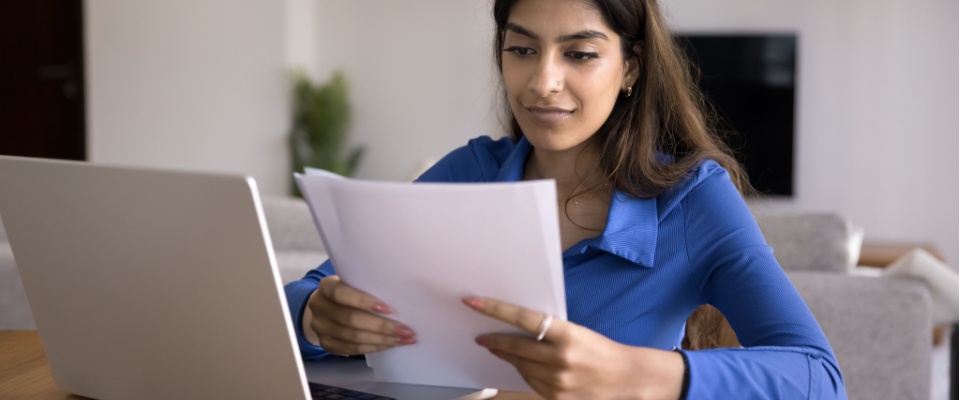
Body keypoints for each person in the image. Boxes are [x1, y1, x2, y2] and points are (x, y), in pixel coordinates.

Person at [284, 0, 847, 398]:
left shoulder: (692, 201)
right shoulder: (468, 171)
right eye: (522, 49)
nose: (542, 81)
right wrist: (315, 317)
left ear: (631, 66)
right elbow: (302, 295)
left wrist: (632, 375)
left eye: (579, 54)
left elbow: (818, 377)